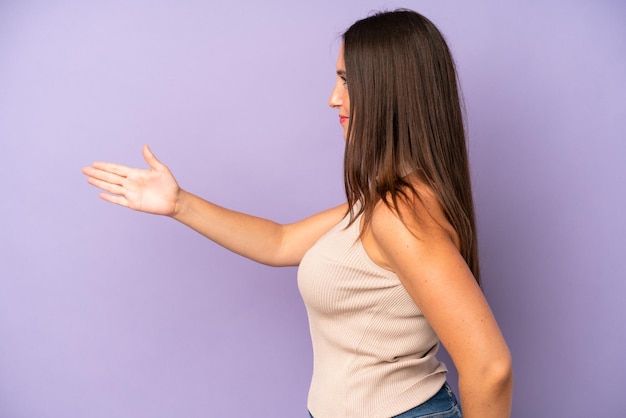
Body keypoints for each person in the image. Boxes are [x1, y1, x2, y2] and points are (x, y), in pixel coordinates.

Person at [82, 9, 512, 418]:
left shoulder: (401, 213)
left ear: (388, 89)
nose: (332, 98)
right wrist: (179, 203)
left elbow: (489, 367)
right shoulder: (382, 201)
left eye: (346, 80)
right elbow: (280, 241)